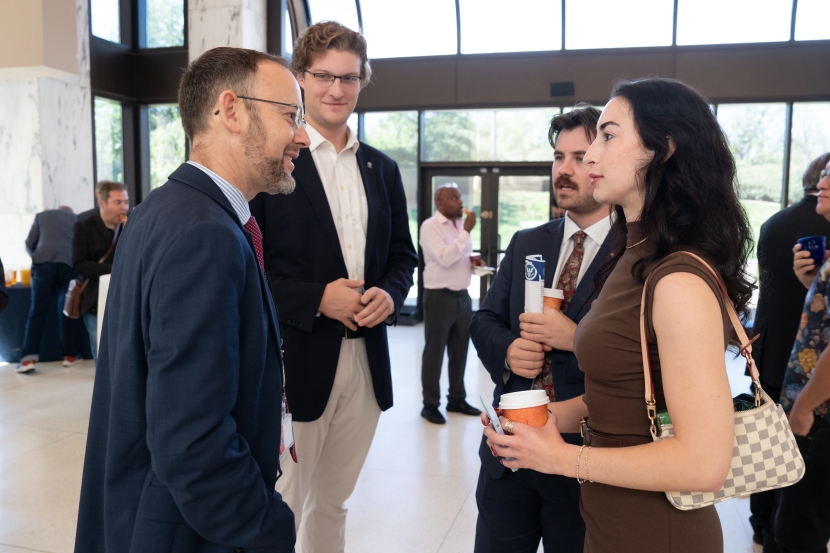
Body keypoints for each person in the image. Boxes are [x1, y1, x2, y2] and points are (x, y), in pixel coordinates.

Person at [484, 78, 756, 553]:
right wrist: (542, 418)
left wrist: (563, 459)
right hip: (610, 522)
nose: (589, 157)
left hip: (656, 532)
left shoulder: (678, 279)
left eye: (607, 137)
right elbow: (621, 396)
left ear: (664, 150)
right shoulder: (635, 255)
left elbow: (704, 464)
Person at [74, 47, 309, 552]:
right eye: (291, 116)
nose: (303, 136)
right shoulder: (207, 234)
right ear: (231, 110)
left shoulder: (163, 209)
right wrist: (268, 526)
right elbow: (192, 440)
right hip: (186, 532)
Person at [249, 21, 418, 553]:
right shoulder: (274, 164)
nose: (337, 89)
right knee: (283, 501)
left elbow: (403, 256)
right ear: (300, 77)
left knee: (334, 502)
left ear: (362, 80)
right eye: (323, 76)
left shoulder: (382, 168)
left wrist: (390, 293)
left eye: (349, 77)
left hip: (367, 364)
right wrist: (318, 298)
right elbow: (248, 269)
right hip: (296, 363)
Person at [470, 104, 615, 553]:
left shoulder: (636, 256)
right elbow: (484, 320)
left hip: (584, 459)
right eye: (558, 157)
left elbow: (641, 356)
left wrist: (572, 337)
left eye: (579, 157)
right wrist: (509, 350)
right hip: (510, 450)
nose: (564, 170)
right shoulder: (527, 242)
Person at [748, 152, 830, 546]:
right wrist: (813, 283)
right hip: (805, 388)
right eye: (824, 175)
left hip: (812, 398)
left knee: (796, 521)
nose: (822, 185)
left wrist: (805, 406)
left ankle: (761, 525)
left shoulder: (774, 223)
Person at [419, 183, 482, 424]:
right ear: (440, 203)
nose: (460, 202)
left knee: (460, 350)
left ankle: (456, 399)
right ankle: (430, 405)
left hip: (462, 296)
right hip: (439, 297)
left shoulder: (459, 225)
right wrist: (465, 232)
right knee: (434, 353)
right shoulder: (430, 227)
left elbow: (461, 255)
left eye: (460, 197)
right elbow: (445, 258)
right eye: (454, 198)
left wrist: (474, 262)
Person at [17, 206, 85, 373]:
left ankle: (28, 360)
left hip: (43, 263)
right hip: (68, 263)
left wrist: (38, 258)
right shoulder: (75, 218)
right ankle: (69, 356)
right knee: (68, 309)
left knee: (37, 311)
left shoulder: (42, 216)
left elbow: (29, 243)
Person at [72, 180, 129, 363]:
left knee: (124, 351)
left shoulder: (130, 226)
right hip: (94, 298)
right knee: (102, 352)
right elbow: (79, 264)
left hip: (125, 296)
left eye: (126, 202)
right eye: (118, 202)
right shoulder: (84, 227)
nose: (124, 207)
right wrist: (115, 270)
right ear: (102, 203)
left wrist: (130, 234)